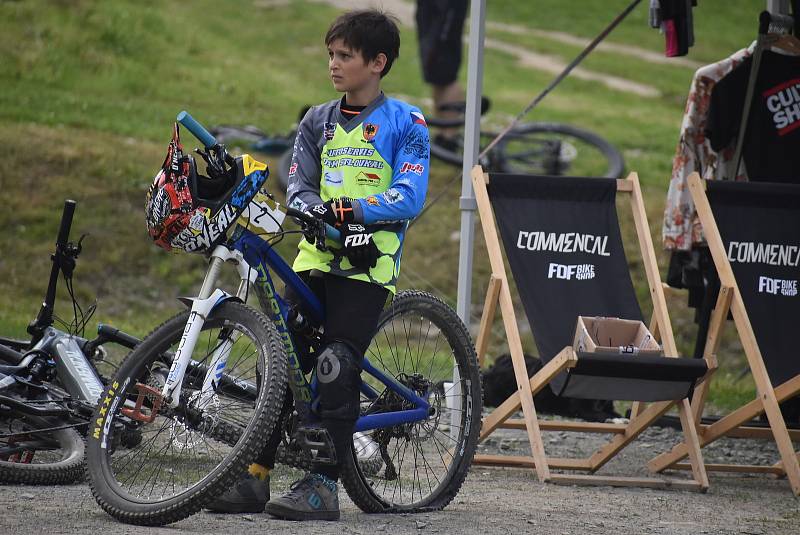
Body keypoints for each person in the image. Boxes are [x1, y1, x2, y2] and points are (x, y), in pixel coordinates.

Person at [207, 8, 430, 521]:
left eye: (345, 56)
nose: (333, 64)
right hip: (313, 258)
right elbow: (300, 182)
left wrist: (353, 211)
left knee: (334, 366)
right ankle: (256, 476)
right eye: (330, 54)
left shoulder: (407, 122)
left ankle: (323, 485)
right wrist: (308, 205)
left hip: (369, 266)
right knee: (283, 362)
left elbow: (409, 196)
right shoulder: (316, 120)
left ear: (378, 63)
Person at [416, 0, 469, 132]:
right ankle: (442, 133)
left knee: (446, 73)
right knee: (435, 72)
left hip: (447, 6)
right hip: (430, 6)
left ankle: (449, 138)